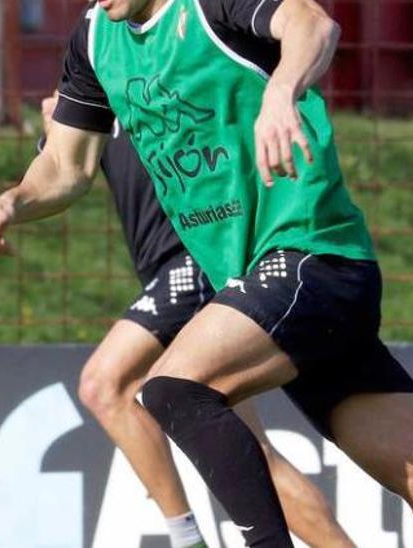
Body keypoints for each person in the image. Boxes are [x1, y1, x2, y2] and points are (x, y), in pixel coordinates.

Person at [0, 0, 413, 546]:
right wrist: (14, 201)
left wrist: (282, 89)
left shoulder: (209, 5)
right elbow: (66, 167)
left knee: (171, 388)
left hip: (314, 258)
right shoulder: (94, 40)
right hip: (270, 285)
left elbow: (313, 23)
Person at [36, 92, 354, 547]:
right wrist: (51, 140)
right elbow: (57, 172)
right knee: (255, 454)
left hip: (195, 262)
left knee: (104, 385)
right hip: (172, 270)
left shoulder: (168, 66)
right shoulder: (94, 73)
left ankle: (185, 539)